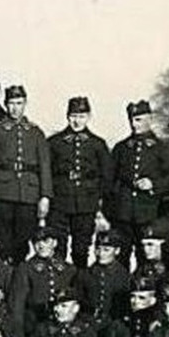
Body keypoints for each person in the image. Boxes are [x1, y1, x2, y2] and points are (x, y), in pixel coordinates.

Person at [0, 84, 52, 264]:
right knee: (2, 243)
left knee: (22, 244)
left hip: (28, 195)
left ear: (25, 104)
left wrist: (45, 196)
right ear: (5, 104)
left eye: (19, 103)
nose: (15, 108)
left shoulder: (35, 132)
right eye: (11, 103)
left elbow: (44, 166)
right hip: (1, 193)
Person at [106, 100, 169, 258]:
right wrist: (110, 210)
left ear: (150, 119)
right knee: (121, 256)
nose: (133, 124)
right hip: (122, 214)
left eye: (138, 120)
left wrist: (153, 184)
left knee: (146, 257)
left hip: (149, 213)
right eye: (131, 120)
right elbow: (109, 180)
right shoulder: (121, 148)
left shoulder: (162, 148)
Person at [47, 96, 111, 267]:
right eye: (73, 116)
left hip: (86, 202)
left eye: (81, 116)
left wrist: (99, 199)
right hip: (60, 201)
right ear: (67, 117)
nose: (77, 121)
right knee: (58, 247)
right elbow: (47, 172)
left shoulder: (98, 144)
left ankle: (80, 287)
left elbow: (106, 175)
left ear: (89, 117)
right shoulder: (55, 143)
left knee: (81, 249)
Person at [10, 223, 77, 332]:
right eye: (37, 242)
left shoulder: (68, 269)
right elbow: (17, 306)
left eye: (46, 241)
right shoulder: (25, 269)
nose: (41, 246)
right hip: (34, 325)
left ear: (55, 243)